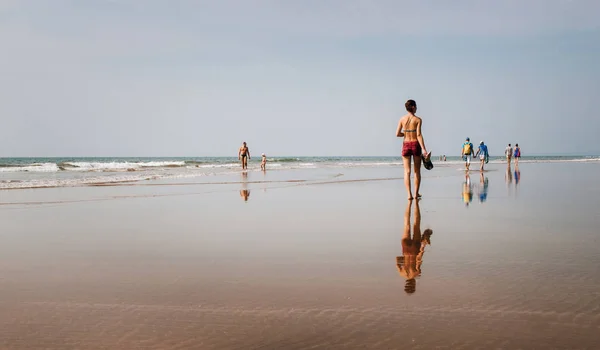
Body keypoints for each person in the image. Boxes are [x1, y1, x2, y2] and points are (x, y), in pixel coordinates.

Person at [396, 199, 433, 294]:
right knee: (406, 224)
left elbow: (419, 259)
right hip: (405, 249)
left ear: (413, 284)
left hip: (414, 250)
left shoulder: (416, 273)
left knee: (417, 223)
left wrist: (423, 246)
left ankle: (416, 204)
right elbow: (397, 260)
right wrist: (404, 258)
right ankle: (409, 204)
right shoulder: (401, 273)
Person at [396, 99, 429, 200]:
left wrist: (405, 134)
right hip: (415, 144)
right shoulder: (418, 120)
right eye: (416, 106)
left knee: (407, 171)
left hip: (406, 144)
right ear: (413, 107)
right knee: (416, 171)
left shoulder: (402, 119)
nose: (417, 108)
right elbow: (418, 135)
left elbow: (397, 134)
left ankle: (409, 195)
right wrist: (424, 149)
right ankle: (416, 193)